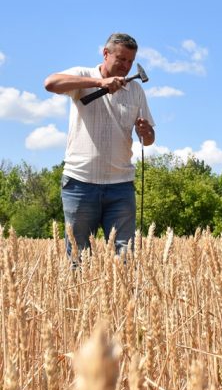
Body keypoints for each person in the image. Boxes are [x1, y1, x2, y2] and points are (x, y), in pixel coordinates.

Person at [45, 33, 155, 258]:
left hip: (121, 186)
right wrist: (98, 83)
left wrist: (147, 132)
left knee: (125, 258)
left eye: (130, 61)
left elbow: (149, 139)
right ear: (106, 54)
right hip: (80, 183)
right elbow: (50, 83)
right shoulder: (82, 75)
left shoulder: (136, 90)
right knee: (78, 258)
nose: (126, 66)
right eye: (121, 59)